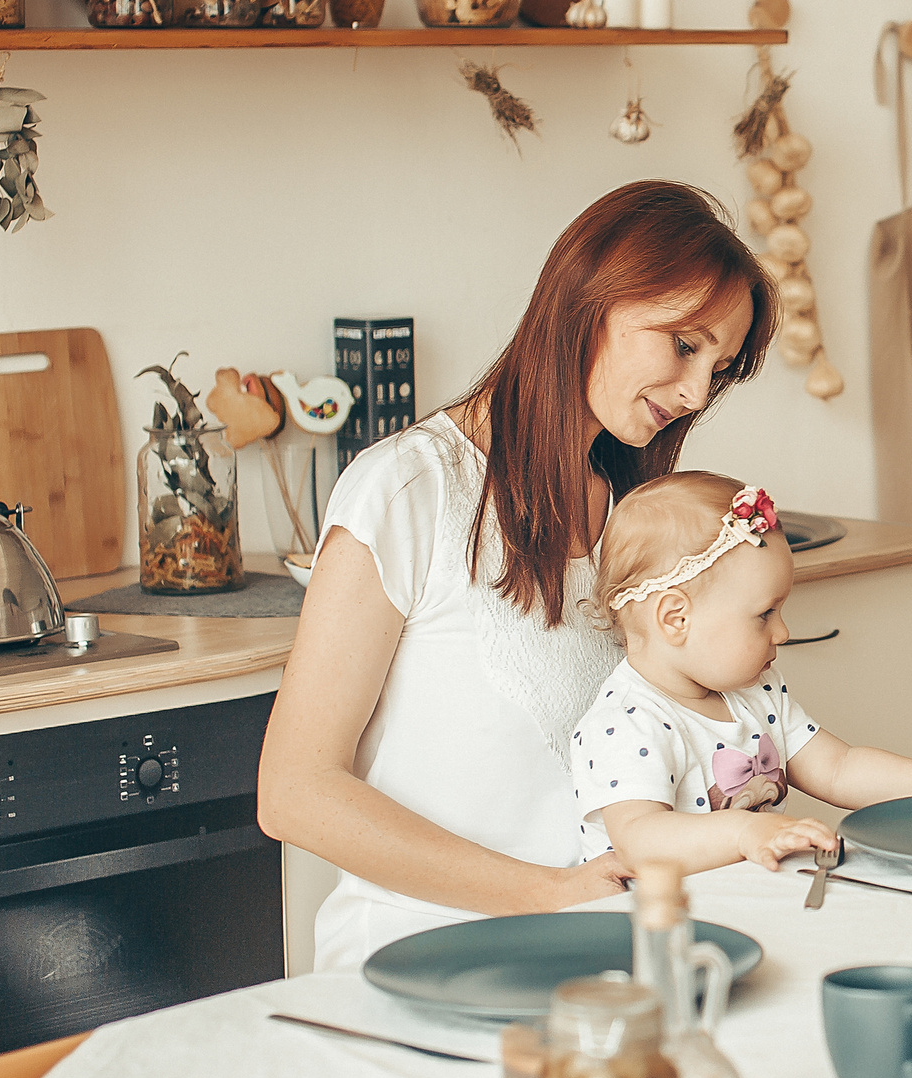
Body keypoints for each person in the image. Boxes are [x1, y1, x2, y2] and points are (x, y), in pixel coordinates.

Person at [257, 182, 778, 971]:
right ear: (590, 299)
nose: (699, 391)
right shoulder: (410, 488)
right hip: (425, 961)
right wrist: (549, 893)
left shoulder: (637, 516)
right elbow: (295, 790)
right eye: (683, 345)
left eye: (720, 367)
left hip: (604, 956)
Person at [568, 472, 912, 874]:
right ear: (676, 619)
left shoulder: (755, 692)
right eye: (765, 614)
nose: (782, 632)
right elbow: (639, 839)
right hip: (657, 923)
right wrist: (744, 832)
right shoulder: (626, 723)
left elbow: (839, 767)